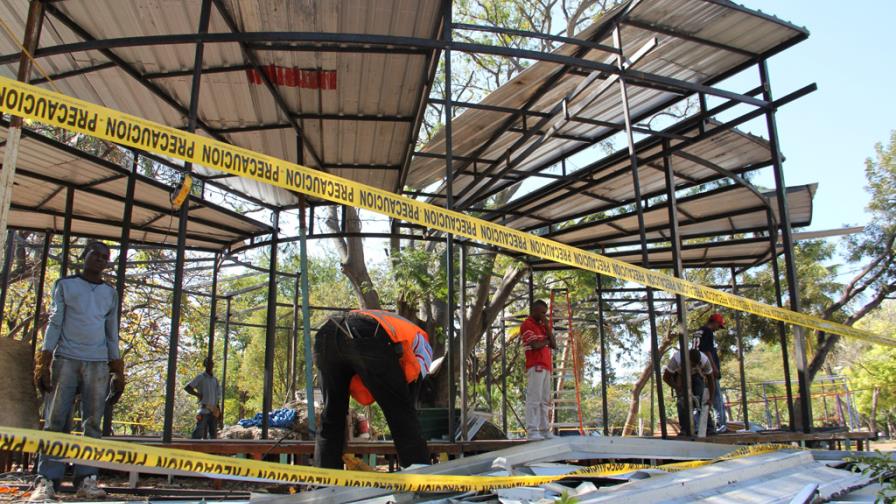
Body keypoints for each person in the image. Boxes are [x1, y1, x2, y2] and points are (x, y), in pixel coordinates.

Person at [31, 241, 125, 501]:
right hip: (66, 359)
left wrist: (117, 370)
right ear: (84, 256)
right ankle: (47, 480)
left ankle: (87, 479)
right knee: (56, 421)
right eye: (96, 255)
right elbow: (55, 321)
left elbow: (111, 331)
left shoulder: (109, 293)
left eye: (105, 257)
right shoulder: (66, 285)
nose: (101, 260)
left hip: (97, 362)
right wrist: (44, 360)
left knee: (92, 423)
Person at [313, 309, 432, 469]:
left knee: (332, 415)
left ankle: (325, 478)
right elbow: (412, 377)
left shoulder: (396, 327)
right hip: (364, 332)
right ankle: (419, 477)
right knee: (402, 414)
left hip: (326, 334)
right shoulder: (422, 342)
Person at [520, 300, 556, 441]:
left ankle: (544, 429)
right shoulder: (527, 324)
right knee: (534, 399)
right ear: (533, 311)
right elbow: (535, 345)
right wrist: (547, 341)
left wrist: (547, 326)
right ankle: (532, 431)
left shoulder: (542, 326)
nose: (543, 316)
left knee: (544, 400)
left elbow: (554, 344)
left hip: (546, 366)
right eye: (541, 312)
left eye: (545, 313)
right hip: (536, 365)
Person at [662, 348, 716, 436]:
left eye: (695, 365)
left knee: (702, 400)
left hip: (697, 375)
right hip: (680, 376)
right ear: (686, 360)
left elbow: (711, 381)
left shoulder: (705, 361)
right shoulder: (676, 359)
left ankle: (709, 428)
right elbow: (666, 378)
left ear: (699, 363)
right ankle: (685, 429)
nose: (692, 367)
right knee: (682, 402)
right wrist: (678, 388)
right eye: (691, 364)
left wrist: (711, 399)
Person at [698, 313, 727, 433]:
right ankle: (721, 425)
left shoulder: (700, 331)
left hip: (700, 370)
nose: (717, 329)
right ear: (714, 322)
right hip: (708, 370)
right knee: (717, 398)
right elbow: (707, 350)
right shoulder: (708, 331)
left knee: (703, 399)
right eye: (718, 326)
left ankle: (706, 427)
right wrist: (714, 368)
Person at [185, 356, 222, 439]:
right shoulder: (200, 377)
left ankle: (211, 448)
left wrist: (218, 410)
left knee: (213, 435)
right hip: (204, 409)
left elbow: (217, 397)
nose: (210, 365)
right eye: (208, 363)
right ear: (205, 365)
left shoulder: (215, 380)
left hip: (213, 410)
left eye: (211, 363)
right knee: (198, 432)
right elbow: (188, 388)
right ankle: (194, 446)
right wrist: (197, 394)